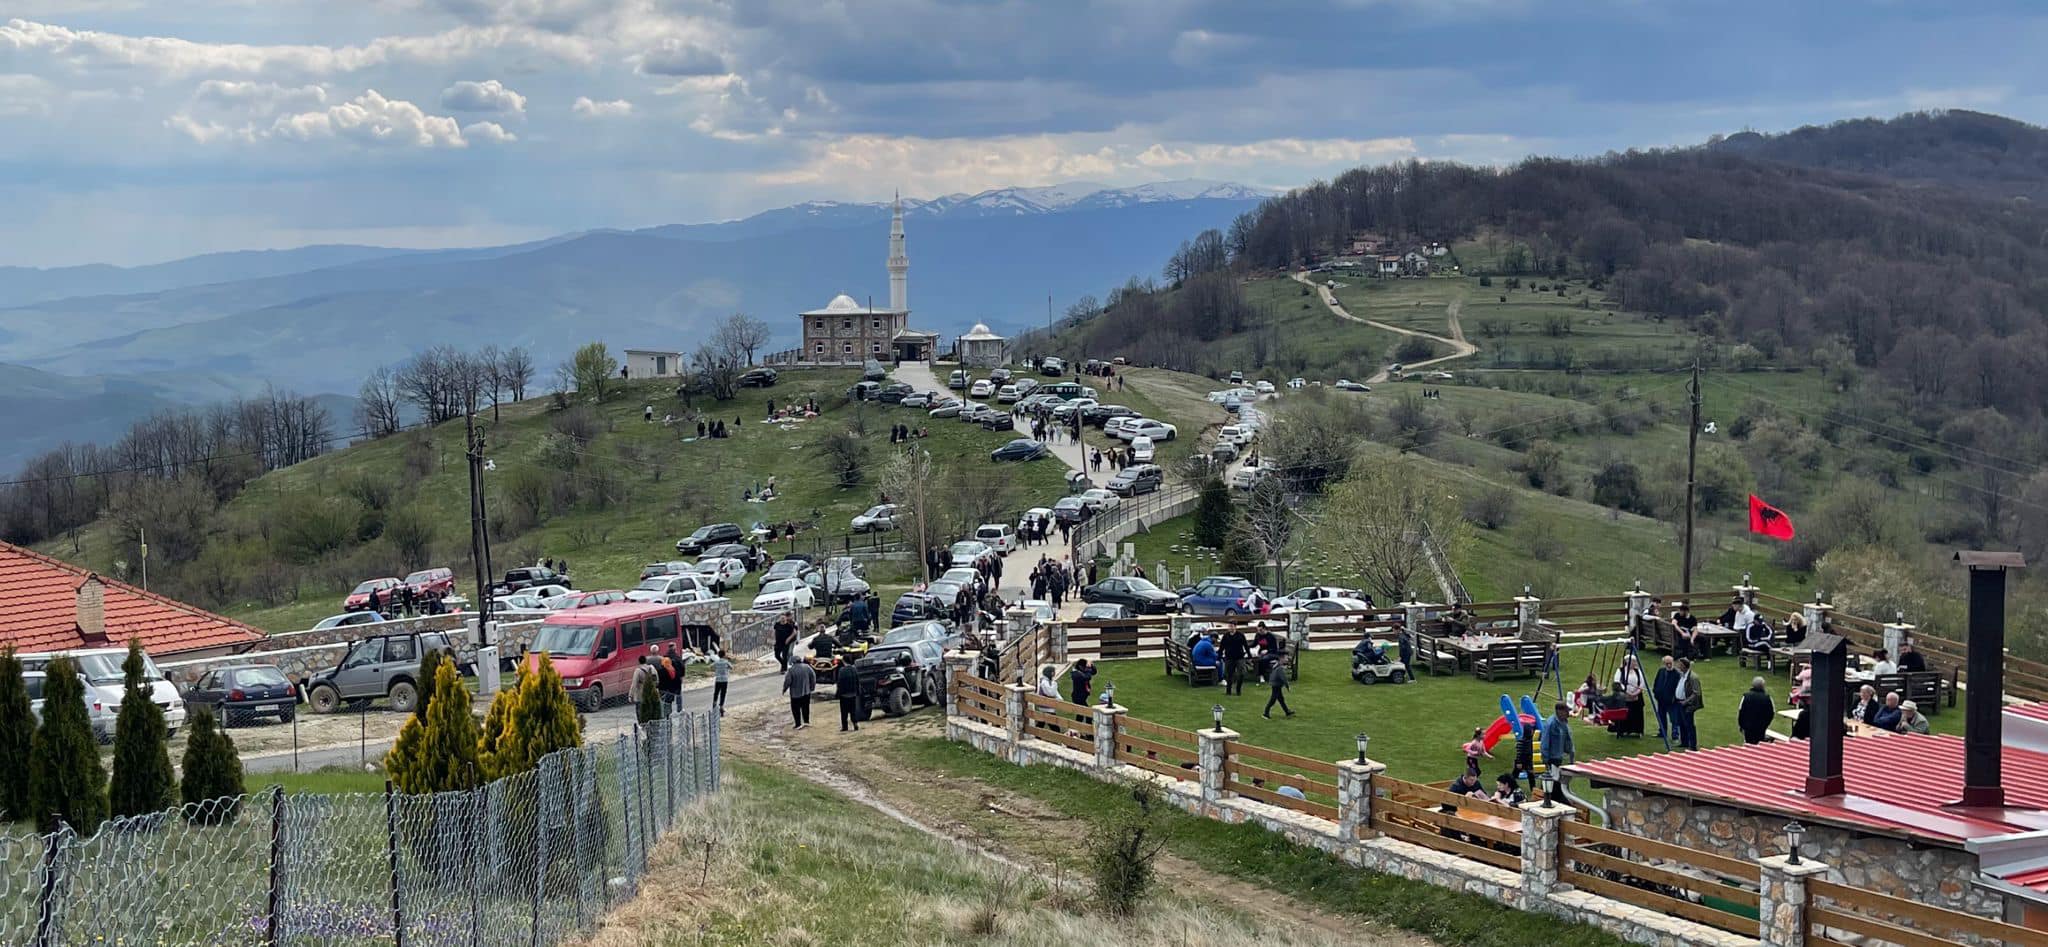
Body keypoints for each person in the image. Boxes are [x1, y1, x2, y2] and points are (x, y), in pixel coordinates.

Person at [1613, 653, 1647, 737]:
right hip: (1625, 694)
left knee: (1637, 712)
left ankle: (1637, 730)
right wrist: (1627, 692)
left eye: (1635, 662)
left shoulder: (1638, 671)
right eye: (1633, 662)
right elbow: (1617, 682)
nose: (1635, 663)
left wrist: (1636, 692)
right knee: (1625, 713)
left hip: (1637, 695)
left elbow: (1642, 682)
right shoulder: (1620, 670)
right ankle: (1624, 730)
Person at [1652, 654, 1681, 751]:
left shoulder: (1676, 674)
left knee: (1674, 719)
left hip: (1671, 701)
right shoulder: (1661, 671)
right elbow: (1656, 682)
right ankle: (1662, 732)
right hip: (1661, 699)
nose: (1669, 665)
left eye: (1670, 663)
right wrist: (1656, 692)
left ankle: (1675, 735)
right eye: (1667, 663)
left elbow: (1678, 688)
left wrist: (1674, 698)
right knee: (1661, 716)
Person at [1673, 657, 1703, 750]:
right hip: (1680, 702)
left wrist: (1686, 702)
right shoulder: (1682, 675)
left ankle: (1692, 745)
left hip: (1688, 705)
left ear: (1684, 666)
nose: (1678, 666)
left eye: (1680, 665)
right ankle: (1684, 742)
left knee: (1689, 724)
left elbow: (1696, 693)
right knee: (1681, 723)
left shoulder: (1693, 677)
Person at [1737, 676, 1775, 745]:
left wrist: (1742, 725)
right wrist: (1766, 724)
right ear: (1763, 686)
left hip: (1748, 727)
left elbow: (1741, 711)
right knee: (1759, 744)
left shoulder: (1746, 696)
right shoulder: (1767, 698)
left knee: (1748, 744)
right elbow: (1771, 713)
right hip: (1761, 727)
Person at [782, 658, 816, 729]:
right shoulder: (807, 667)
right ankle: (806, 721)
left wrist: (784, 689)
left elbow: (787, 681)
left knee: (795, 709)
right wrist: (812, 687)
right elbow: (813, 676)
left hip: (795, 694)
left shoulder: (791, 670)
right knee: (806, 707)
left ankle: (798, 724)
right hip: (806, 692)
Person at [1542, 702, 1575, 771]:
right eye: (1566, 711)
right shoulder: (1550, 724)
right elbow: (1545, 742)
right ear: (1559, 711)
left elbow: (1568, 740)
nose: (1568, 713)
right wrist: (1545, 759)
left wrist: (1571, 755)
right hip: (1552, 758)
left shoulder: (1564, 722)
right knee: (1554, 779)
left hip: (1561, 756)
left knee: (1560, 779)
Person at [835, 658, 863, 732]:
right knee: (853, 710)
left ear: (844, 661)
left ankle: (845, 726)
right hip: (853, 693)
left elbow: (839, 682)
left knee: (844, 712)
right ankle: (855, 723)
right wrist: (857, 691)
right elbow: (857, 681)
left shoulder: (841, 670)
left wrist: (838, 693)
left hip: (844, 694)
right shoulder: (854, 669)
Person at [1220, 628, 1249, 695]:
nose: (1230, 628)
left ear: (1235, 627)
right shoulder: (1226, 636)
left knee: (1241, 673)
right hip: (1229, 657)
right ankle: (1228, 690)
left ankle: (1238, 689)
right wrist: (1220, 655)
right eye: (1229, 626)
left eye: (1232, 626)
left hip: (1239, 657)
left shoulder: (1240, 635)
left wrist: (1249, 654)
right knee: (1229, 674)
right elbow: (1222, 646)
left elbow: (1245, 645)